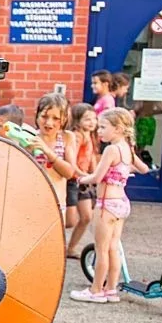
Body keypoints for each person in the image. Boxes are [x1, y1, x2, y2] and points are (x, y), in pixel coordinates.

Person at [72, 108, 138, 303]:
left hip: (106, 205)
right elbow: (142, 168)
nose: (99, 131)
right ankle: (111, 289)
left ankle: (95, 290)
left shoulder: (111, 149)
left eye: (103, 127)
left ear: (117, 129)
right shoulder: (127, 149)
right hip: (122, 203)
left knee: (101, 250)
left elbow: (97, 176)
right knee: (113, 248)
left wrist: (81, 179)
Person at [26, 93, 81, 215]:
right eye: (44, 116)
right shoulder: (29, 138)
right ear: (37, 115)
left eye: (56, 118)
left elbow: (69, 172)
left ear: (64, 119)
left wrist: (47, 151)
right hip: (33, 202)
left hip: (57, 204)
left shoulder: (67, 137)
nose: (49, 123)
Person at [65, 103, 100, 259]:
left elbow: (91, 158)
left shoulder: (90, 136)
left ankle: (71, 248)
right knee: (70, 221)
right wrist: (84, 175)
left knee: (86, 217)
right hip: (74, 181)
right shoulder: (77, 136)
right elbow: (72, 161)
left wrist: (96, 174)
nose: (92, 122)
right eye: (87, 119)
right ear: (77, 121)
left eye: (94, 118)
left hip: (84, 181)